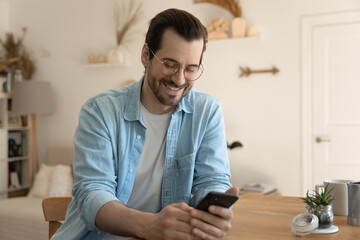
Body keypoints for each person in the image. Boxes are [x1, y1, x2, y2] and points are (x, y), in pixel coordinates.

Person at [52, 8, 239, 240]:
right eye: (170, 64)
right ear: (145, 55)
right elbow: (92, 194)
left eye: (191, 69)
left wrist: (215, 209)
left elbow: (212, 181)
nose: (179, 79)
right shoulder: (99, 111)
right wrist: (152, 226)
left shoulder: (207, 112)